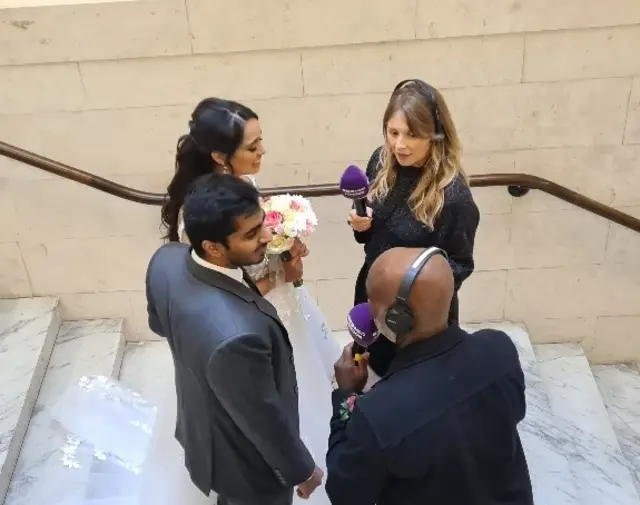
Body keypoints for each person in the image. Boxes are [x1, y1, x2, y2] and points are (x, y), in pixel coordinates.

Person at [153, 98, 340, 504]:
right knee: (265, 403)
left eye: (261, 141)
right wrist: (273, 277)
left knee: (301, 386)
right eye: (252, 147)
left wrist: (284, 254)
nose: (262, 152)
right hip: (249, 325)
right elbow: (214, 292)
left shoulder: (239, 186)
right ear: (220, 155)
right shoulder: (198, 218)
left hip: (275, 308)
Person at [325, 247, 533, 505]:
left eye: (372, 301)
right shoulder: (499, 349)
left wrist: (347, 396)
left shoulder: (378, 413)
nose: (368, 309)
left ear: (397, 319)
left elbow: (345, 493)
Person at [348, 79, 480, 376]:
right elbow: (369, 239)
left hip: (418, 317)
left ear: (435, 135)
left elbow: (460, 264)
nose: (399, 145)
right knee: (376, 370)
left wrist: (414, 298)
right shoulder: (380, 163)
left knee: (414, 384)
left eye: (412, 135)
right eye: (393, 132)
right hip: (373, 290)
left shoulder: (453, 195)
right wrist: (361, 226)